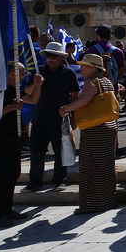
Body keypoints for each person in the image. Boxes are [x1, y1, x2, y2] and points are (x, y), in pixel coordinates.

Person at [59, 54, 118, 214]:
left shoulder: (91, 82)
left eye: (84, 67)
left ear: (91, 68)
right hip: (109, 126)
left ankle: (92, 204)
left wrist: (65, 109)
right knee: (106, 166)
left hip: (95, 129)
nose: (81, 70)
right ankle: (108, 200)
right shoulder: (106, 81)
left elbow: (84, 101)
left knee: (90, 167)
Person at [0, 63, 42, 227]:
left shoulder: (16, 90)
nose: (24, 76)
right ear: (11, 74)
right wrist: (10, 107)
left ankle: (7, 208)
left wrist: (37, 86)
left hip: (13, 136)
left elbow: (32, 99)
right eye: (22, 73)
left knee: (13, 173)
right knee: (2, 175)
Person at [23, 42, 79, 192]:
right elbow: (26, 92)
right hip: (39, 118)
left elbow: (75, 96)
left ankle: (59, 180)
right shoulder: (38, 72)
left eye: (54, 56)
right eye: (48, 55)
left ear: (61, 57)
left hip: (59, 119)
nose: (51, 59)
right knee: (36, 152)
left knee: (60, 152)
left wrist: (73, 118)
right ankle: (34, 181)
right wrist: (35, 84)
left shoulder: (68, 73)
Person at [85, 24, 126, 90]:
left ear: (98, 36)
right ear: (110, 36)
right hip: (113, 88)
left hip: (95, 89)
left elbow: (87, 71)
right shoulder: (118, 52)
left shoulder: (90, 51)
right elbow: (121, 71)